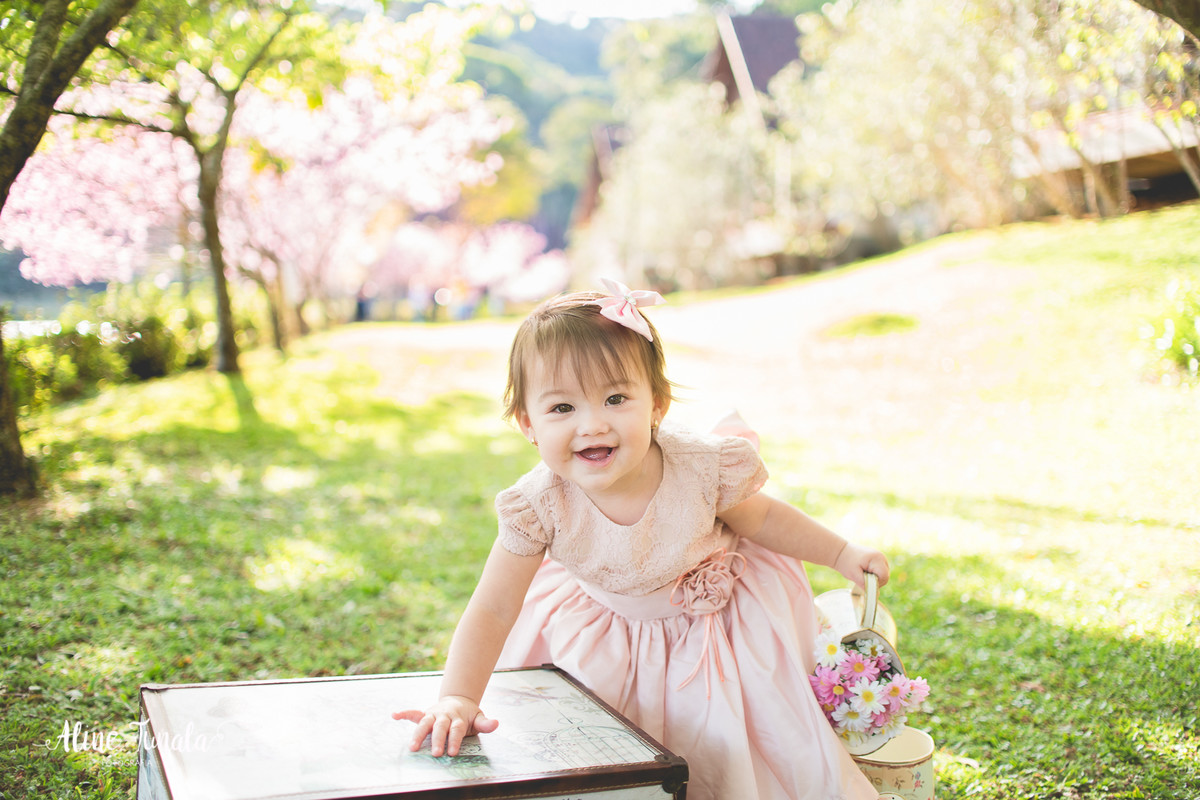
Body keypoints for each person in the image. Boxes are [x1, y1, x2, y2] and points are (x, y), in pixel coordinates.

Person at [393, 279, 890, 800]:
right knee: (616, 752)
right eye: (562, 408)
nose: (592, 424)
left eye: (615, 398)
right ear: (528, 424)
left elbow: (762, 519)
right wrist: (458, 698)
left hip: (715, 637)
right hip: (606, 635)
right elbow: (493, 608)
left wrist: (840, 553)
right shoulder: (537, 505)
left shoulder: (700, 467)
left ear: (656, 404)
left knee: (733, 746)